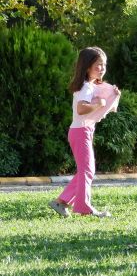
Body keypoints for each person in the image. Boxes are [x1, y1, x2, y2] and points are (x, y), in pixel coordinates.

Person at [49, 47, 119, 218]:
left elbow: (104, 107)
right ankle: (84, 207)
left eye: (104, 65)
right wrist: (99, 104)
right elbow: (81, 108)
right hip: (80, 131)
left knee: (86, 170)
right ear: (87, 66)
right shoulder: (86, 87)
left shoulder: (90, 86)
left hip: (83, 131)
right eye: (98, 65)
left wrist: (113, 96)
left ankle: (61, 202)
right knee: (87, 170)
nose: (102, 68)